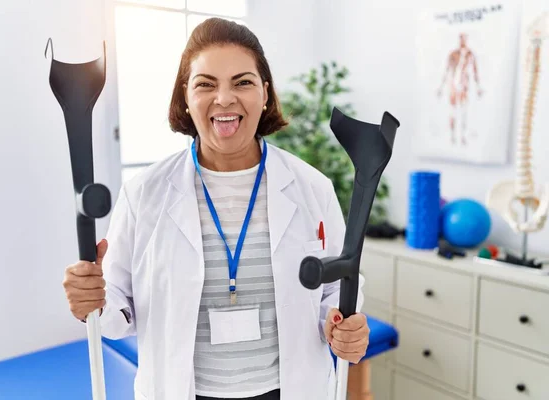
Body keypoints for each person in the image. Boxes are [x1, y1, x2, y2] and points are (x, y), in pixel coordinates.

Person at [62, 18, 368, 400]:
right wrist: (91, 300)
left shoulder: (312, 189)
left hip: (288, 390)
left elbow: (336, 293)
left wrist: (343, 328)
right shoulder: (144, 194)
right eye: (205, 84)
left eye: (243, 82)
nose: (224, 99)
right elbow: (116, 316)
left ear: (266, 95)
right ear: (186, 98)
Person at [437, 33, 483, 145]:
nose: (463, 40)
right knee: (453, 111)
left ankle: (462, 136)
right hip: (453, 85)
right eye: (462, 38)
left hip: (464, 86)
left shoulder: (470, 54)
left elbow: (475, 71)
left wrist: (478, 87)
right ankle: (452, 136)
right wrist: (441, 87)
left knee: (463, 111)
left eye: (465, 38)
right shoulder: (453, 54)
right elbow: (447, 70)